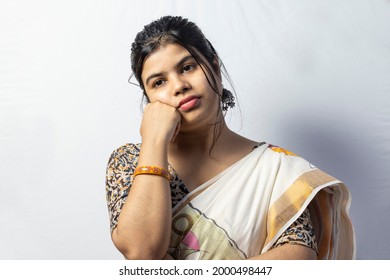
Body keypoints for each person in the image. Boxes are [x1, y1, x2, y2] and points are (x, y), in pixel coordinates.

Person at [105, 15, 355, 260]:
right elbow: (141, 252)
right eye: (159, 82)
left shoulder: (277, 170)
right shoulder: (129, 160)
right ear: (150, 101)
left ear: (214, 66)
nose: (178, 85)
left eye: (187, 67)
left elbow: (298, 258)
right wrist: (154, 140)